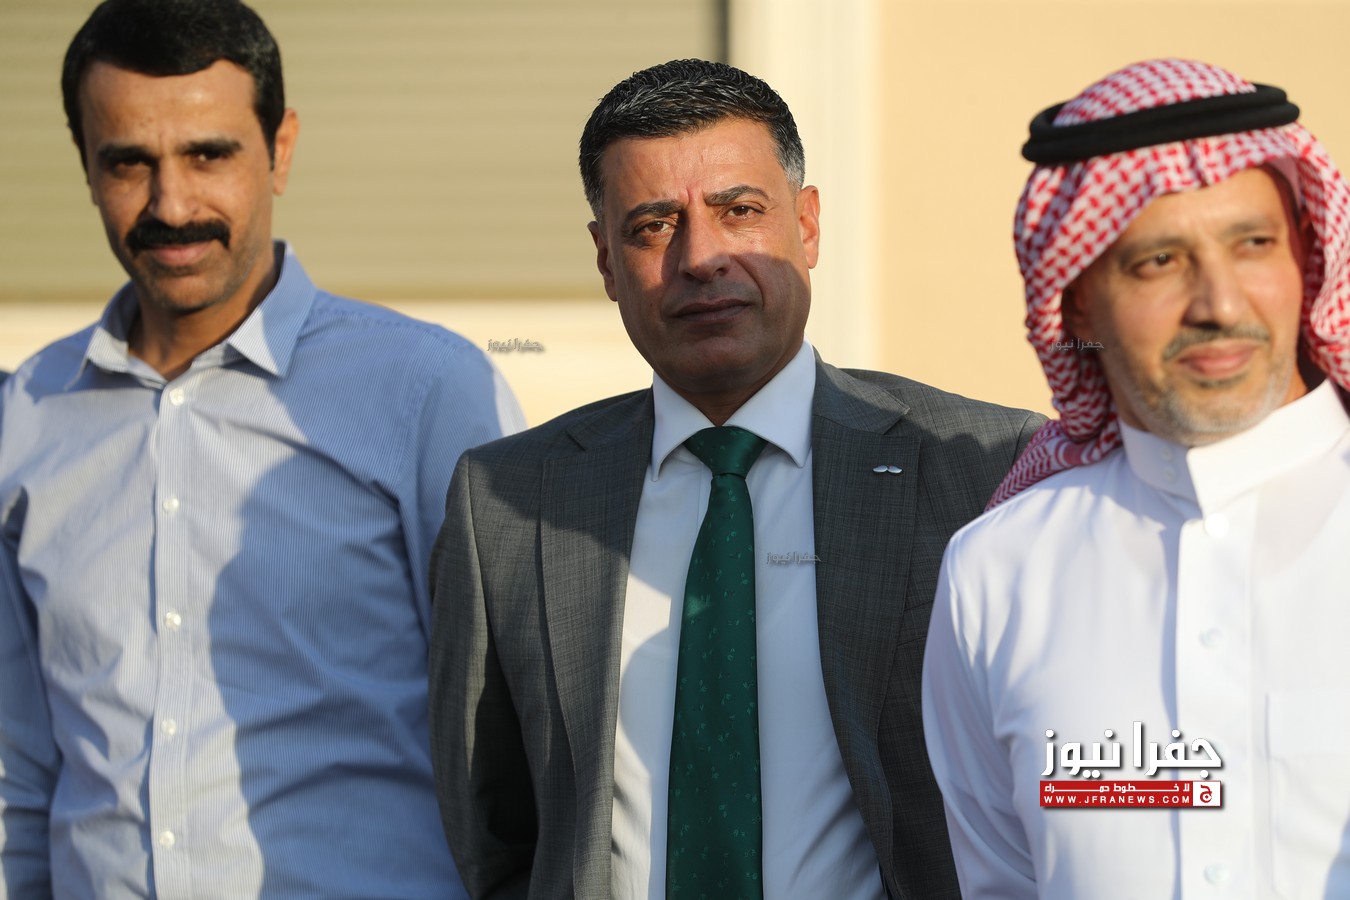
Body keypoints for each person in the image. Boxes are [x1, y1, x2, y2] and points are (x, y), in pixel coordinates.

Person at [428, 58, 1044, 900]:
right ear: (605, 261)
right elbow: (492, 835)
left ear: (808, 225)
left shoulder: (987, 468)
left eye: (739, 211)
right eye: (654, 226)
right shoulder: (508, 502)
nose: (701, 257)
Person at [0, 1, 524, 896]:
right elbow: (19, 769)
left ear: (279, 149)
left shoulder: (425, 390)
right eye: (129, 162)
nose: (171, 205)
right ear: (86, 165)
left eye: (208, 154)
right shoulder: (25, 417)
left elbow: (519, 738)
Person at [922, 58, 1350, 898]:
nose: (1219, 304)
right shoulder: (996, 571)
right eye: (1159, 262)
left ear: (1308, 258)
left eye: (1253, 245)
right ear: (1077, 299)